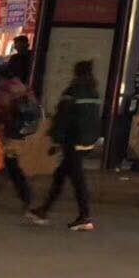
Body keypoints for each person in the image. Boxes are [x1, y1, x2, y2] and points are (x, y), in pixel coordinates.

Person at [29, 59, 101, 231]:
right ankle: (43, 210)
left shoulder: (72, 91)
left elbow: (63, 118)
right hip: (86, 141)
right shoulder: (93, 92)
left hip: (72, 141)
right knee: (61, 175)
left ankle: (84, 216)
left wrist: (56, 139)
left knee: (77, 179)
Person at [0, 65, 37, 219]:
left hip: (5, 135)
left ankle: (27, 197)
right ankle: (27, 197)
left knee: (5, 167)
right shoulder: (23, 88)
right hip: (19, 134)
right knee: (9, 166)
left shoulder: (4, 90)